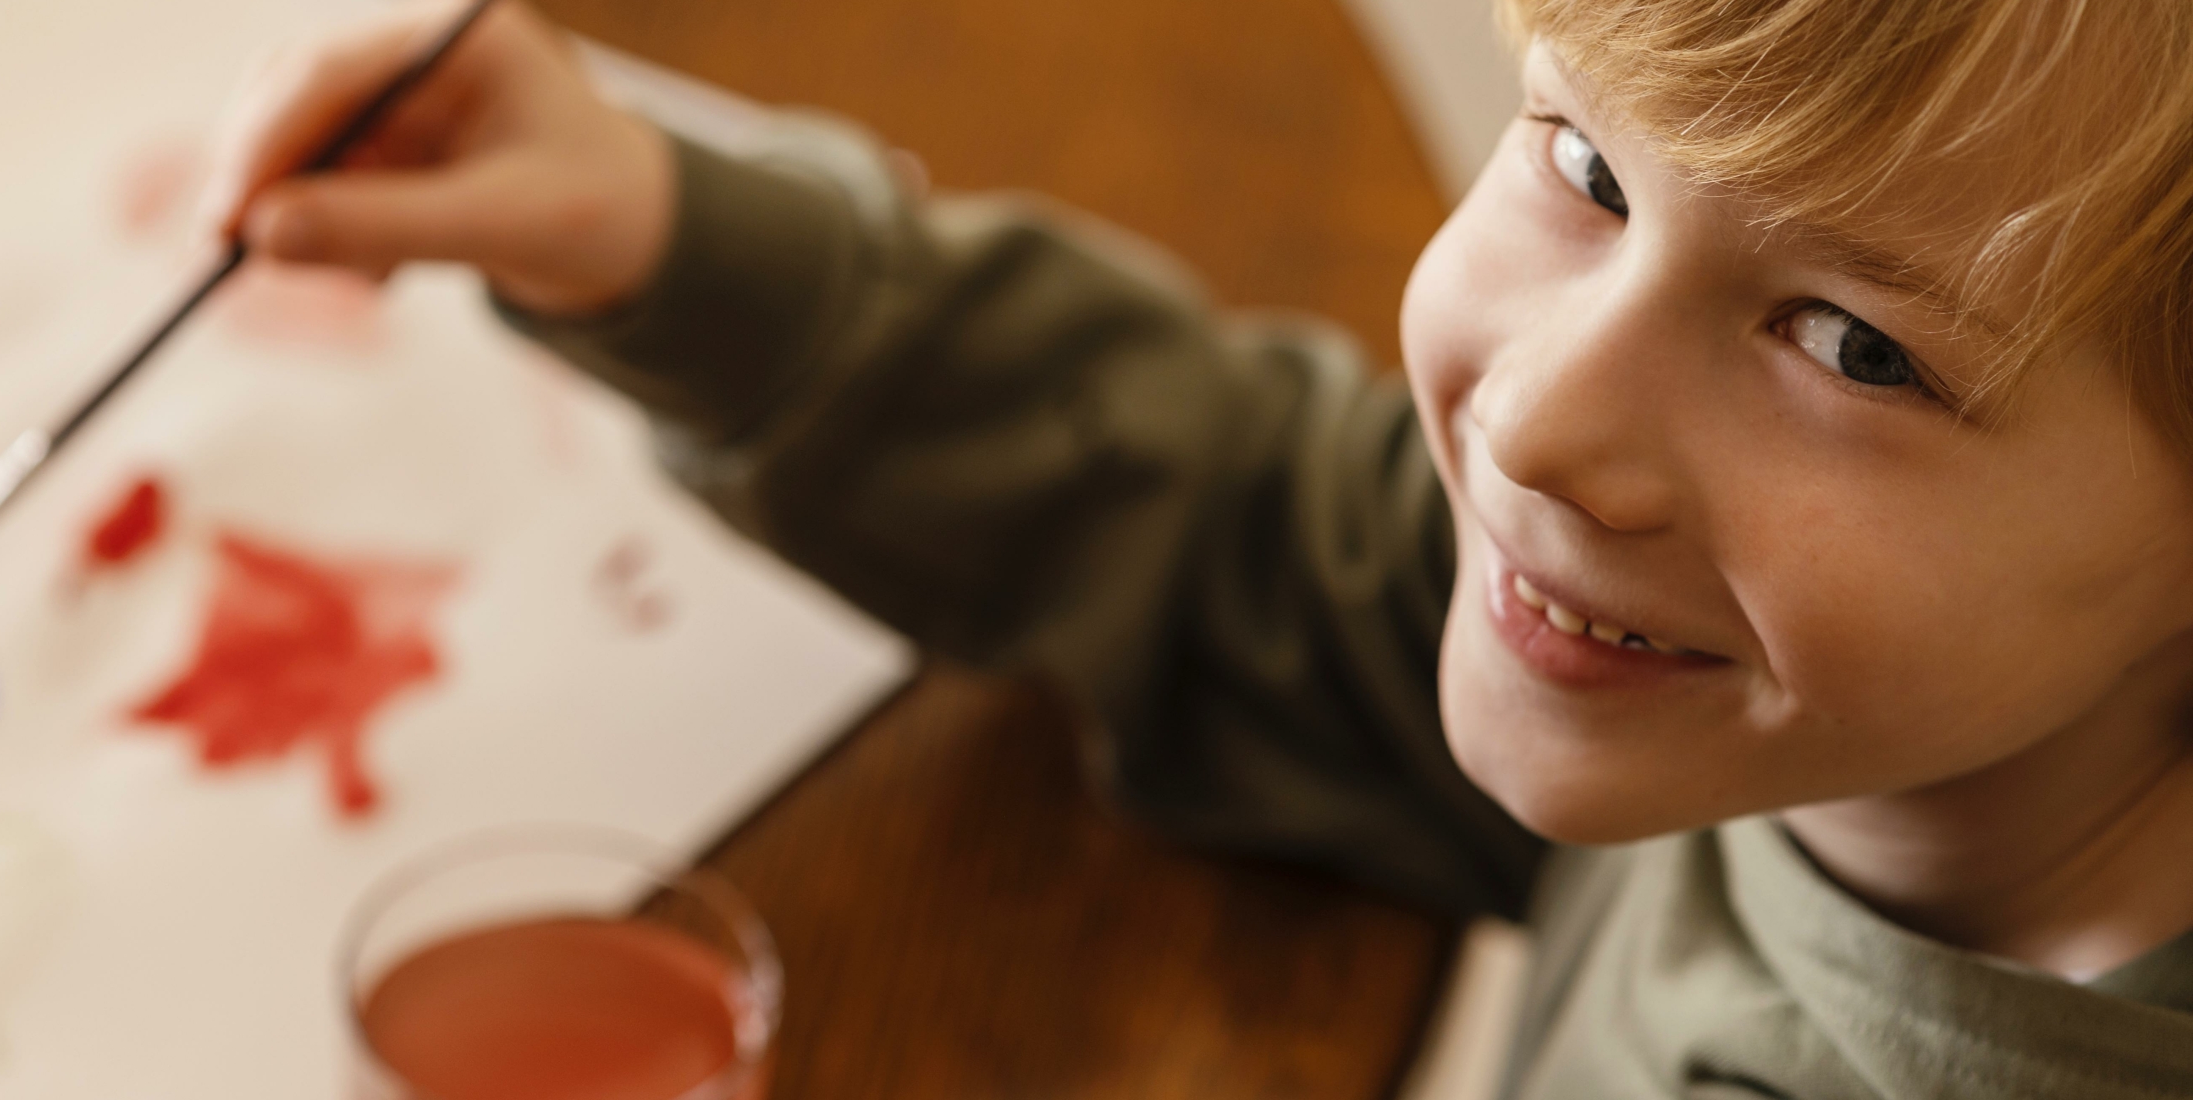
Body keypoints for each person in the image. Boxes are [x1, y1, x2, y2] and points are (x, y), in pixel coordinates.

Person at [197, 0, 2193, 1092]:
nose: (1532, 417)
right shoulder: (1819, 694)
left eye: (1852, 348)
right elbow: (1277, 553)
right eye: (1582, 164)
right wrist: (671, 246)